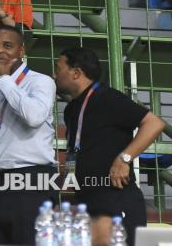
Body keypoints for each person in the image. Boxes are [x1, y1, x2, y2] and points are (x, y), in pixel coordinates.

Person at [54, 47, 165, 246]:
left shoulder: (107, 97)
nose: (54, 75)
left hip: (115, 198)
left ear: (76, 72)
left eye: (58, 68)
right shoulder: (71, 109)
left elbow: (154, 123)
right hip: (87, 199)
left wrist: (125, 158)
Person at [0, 25, 57, 244]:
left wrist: (4, 80)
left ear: (21, 51)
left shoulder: (40, 81)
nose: (0, 50)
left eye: (8, 45)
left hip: (30, 180)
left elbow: (34, 117)